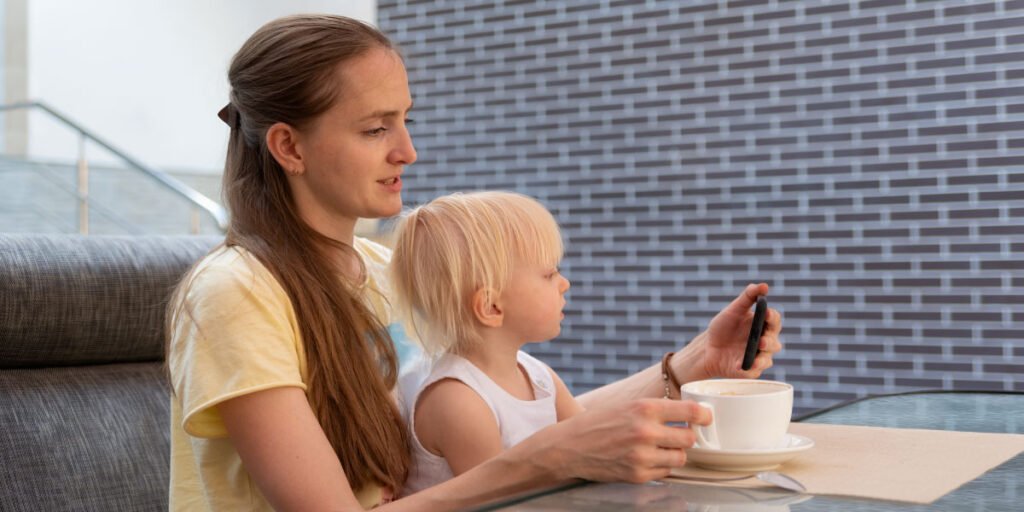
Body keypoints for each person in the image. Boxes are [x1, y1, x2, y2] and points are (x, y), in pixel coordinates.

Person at [165, 13, 782, 512]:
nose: (407, 150)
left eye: (406, 121)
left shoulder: (382, 269)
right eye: (376, 129)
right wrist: (549, 460)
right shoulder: (234, 293)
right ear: (288, 146)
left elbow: (505, 416)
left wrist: (689, 365)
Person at [389, 191, 584, 495]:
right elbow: (503, 499)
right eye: (549, 274)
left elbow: (592, 444)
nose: (564, 283)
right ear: (491, 307)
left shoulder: (539, 377)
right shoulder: (458, 400)